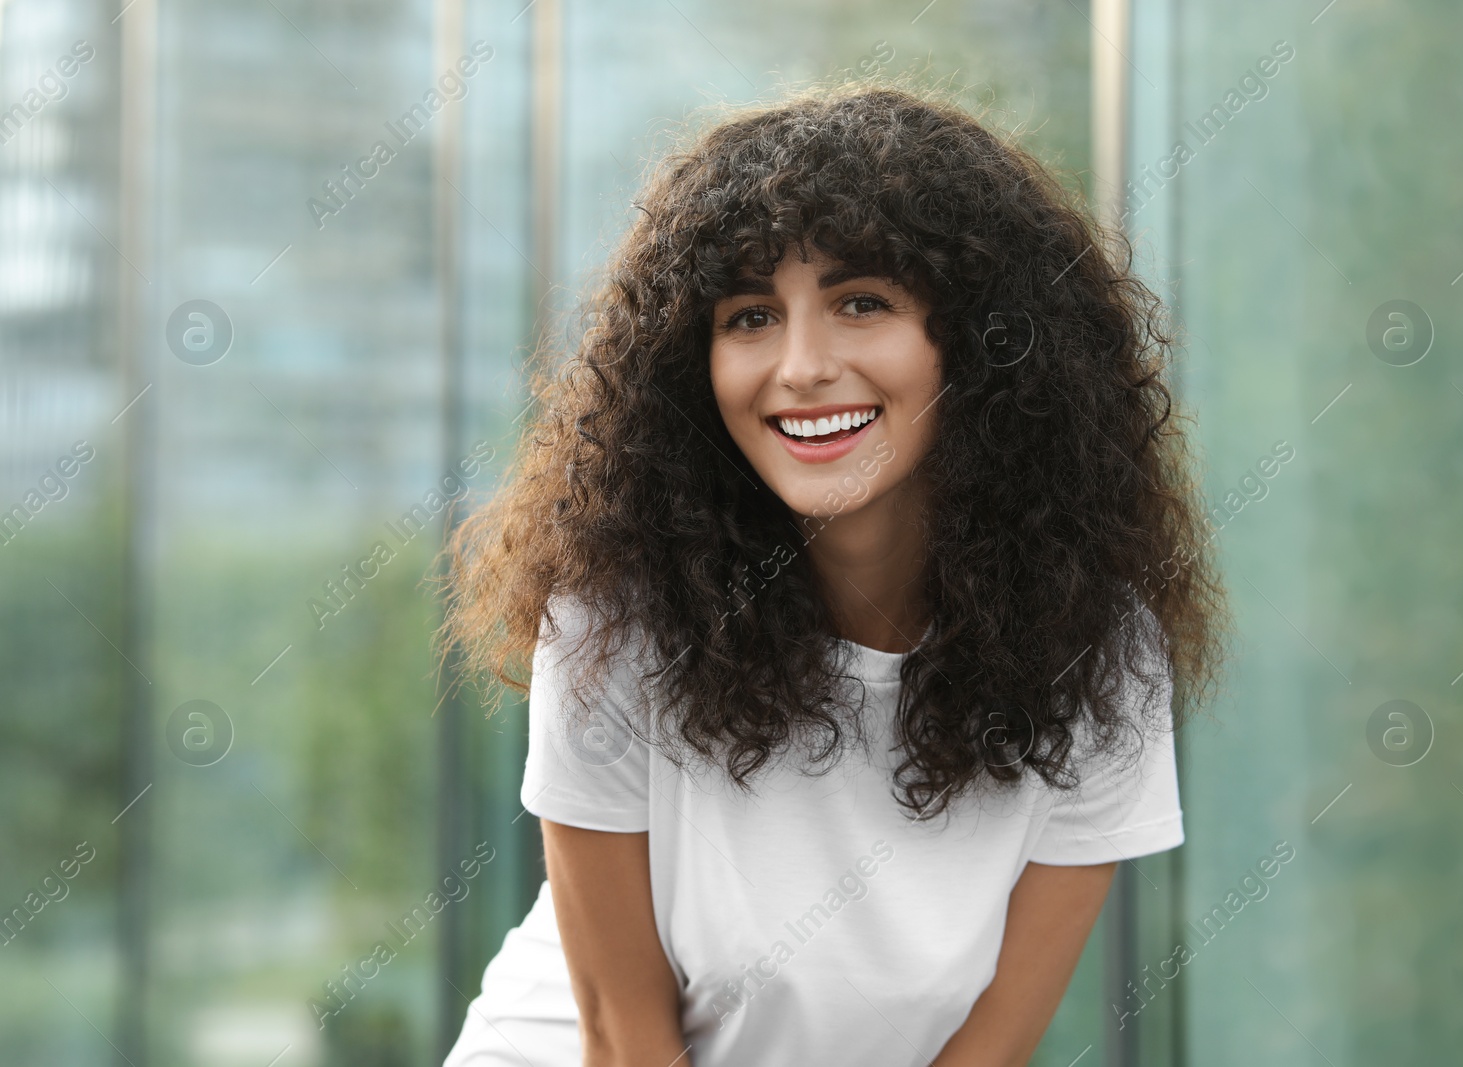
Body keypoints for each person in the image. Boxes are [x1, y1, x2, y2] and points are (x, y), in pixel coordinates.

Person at [437, 79, 1228, 1067]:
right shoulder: (614, 618)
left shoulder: (1102, 651)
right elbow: (621, 1037)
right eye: (750, 315)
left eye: (862, 303)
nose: (801, 366)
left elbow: (992, 1045)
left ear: (982, 345)